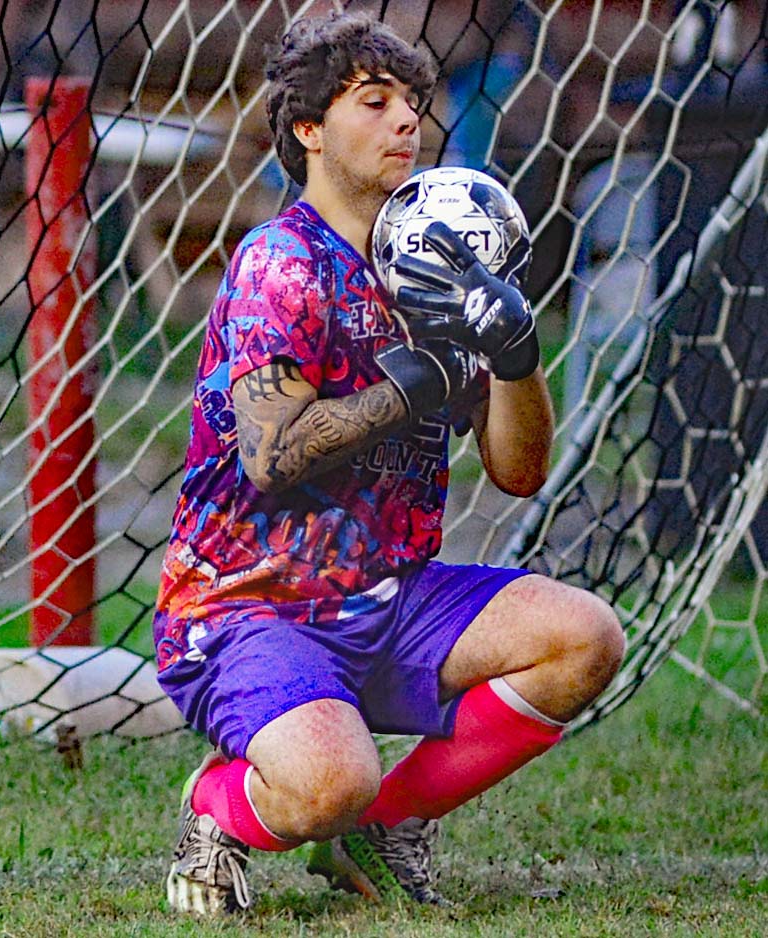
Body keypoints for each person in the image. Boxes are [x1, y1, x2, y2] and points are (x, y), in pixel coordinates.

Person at [152, 10, 625, 917]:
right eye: (374, 102)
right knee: (331, 780)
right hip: (248, 607)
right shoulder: (279, 264)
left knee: (585, 637)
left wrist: (516, 356)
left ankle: (388, 827)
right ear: (308, 130)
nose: (407, 120)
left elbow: (519, 473)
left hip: (389, 593)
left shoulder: (438, 262)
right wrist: (406, 390)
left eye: (412, 102)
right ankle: (217, 808)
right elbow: (269, 457)